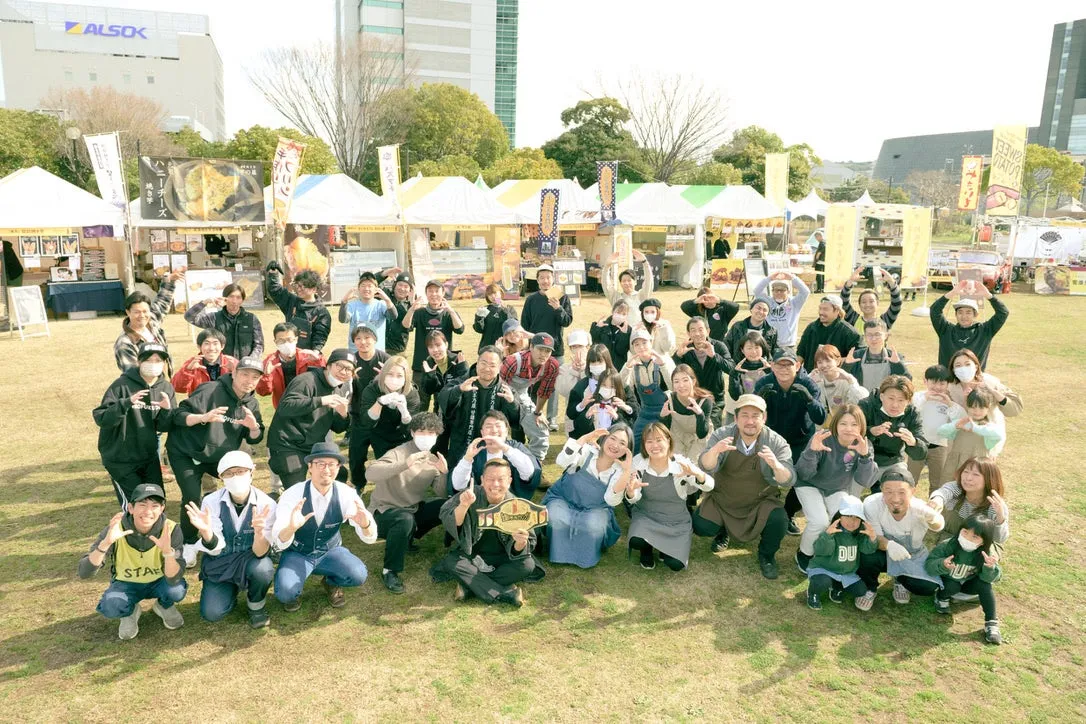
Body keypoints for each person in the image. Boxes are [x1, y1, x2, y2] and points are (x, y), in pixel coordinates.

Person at [167, 358, 265, 566]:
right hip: (186, 451)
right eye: (245, 374)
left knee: (239, 487)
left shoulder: (251, 403)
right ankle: (189, 543)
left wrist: (253, 426)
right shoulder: (211, 390)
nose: (249, 380)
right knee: (192, 496)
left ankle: (238, 532)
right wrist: (203, 417)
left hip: (217, 456)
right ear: (234, 373)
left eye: (255, 377)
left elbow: (255, 437)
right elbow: (178, 415)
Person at [694, 394, 797, 579]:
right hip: (723, 498)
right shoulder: (722, 435)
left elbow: (788, 479)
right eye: (745, 415)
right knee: (701, 525)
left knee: (779, 520)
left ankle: (766, 555)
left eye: (755, 416)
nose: (750, 421)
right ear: (736, 418)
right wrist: (715, 451)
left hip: (759, 502)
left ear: (764, 418)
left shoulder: (776, 442)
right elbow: (705, 465)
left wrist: (776, 466)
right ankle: (722, 531)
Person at [272, 442, 377, 611]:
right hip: (298, 552)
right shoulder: (292, 494)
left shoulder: (346, 494)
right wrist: (291, 528)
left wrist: (366, 524)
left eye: (331, 464)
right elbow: (278, 540)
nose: (326, 470)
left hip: (330, 551)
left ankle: (330, 582)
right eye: (320, 464)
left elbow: (370, 537)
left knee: (358, 575)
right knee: (285, 593)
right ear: (310, 467)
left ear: (338, 467)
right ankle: (292, 589)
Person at [78, 483, 186, 640]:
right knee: (112, 606)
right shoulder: (116, 528)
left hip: (160, 581)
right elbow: (84, 572)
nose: (148, 511)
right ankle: (130, 611)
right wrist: (105, 543)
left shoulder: (171, 529)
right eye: (142, 505)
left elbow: (174, 578)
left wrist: (168, 553)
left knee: (176, 590)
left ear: (162, 509)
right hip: (126, 583)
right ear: (130, 508)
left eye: (155, 505)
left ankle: (164, 605)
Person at [430, 459, 538, 607]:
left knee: (527, 565)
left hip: (503, 558)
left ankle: (469, 588)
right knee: (452, 561)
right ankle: (505, 594)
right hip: (472, 554)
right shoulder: (470, 494)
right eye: (490, 479)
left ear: (509, 481)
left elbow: (525, 547)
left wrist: (520, 543)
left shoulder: (517, 505)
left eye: (501, 479)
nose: (495, 484)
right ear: (482, 479)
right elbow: (447, 516)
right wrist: (463, 506)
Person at [188, 451, 276, 628]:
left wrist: (259, 533)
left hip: (251, 558)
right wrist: (206, 533)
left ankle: (256, 605)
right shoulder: (211, 501)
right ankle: (231, 589)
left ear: (252, 471)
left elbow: (260, 553)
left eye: (241, 471)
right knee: (211, 614)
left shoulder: (267, 504)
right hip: (221, 561)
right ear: (221, 477)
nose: (235, 477)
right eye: (229, 473)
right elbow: (216, 548)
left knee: (264, 569)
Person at [366, 413, 449, 594]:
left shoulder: (433, 459)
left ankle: (408, 538)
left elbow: (441, 492)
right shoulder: (399, 453)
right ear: (412, 433)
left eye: (431, 432)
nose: (426, 437)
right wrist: (405, 464)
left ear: (437, 435)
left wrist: (443, 473)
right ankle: (390, 571)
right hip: (383, 512)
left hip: (411, 510)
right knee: (404, 520)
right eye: (421, 432)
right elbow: (370, 474)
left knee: (446, 505)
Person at [794, 405, 877, 572]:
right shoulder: (822, 438)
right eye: (843, 423)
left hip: (837, 488)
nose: (848, 429)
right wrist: (811, 452)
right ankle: (804, 554)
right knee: (819, 521)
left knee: (842, 521)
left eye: (854, 425)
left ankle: (829, 551)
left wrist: (865, 457)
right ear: (835, 424)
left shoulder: (863, 444)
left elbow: (865, 480)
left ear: (861, 427)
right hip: (809, 484)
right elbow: (803, 473)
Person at [93, 343, 175, 507]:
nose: (154, 364)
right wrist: (126, 403)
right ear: (139, 361)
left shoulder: (165, 387)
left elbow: (164, 426)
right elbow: (101, 418)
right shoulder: (121, 385)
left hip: (148, 456)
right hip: (120, 458)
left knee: (156, 500)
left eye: (158, 360)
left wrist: (166, 410)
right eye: (149, 360)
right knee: (135, 505)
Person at [754, 349, 826, 534]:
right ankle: (762, 510)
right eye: (779, 364)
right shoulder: (764, 382)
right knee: (760, 472)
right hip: (772, 438)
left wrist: (810, 401)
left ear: (798, 365)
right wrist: (759, 400)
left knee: (803, 476)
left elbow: (820, 418)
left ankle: (788, 512)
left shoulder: (808, 384)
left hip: (800, 438)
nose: (784, 369)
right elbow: (752, 414)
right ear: (772, 365)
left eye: (789, 364)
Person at [855, 468, 945, 611]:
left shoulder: (920, 508)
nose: (895, 499)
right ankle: (870, 588)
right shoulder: (872, 504)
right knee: (867, 552)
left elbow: (939, 525)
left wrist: (933, 517)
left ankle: (901, 580)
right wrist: (889, 545)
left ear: (913, 491)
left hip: (912, 555)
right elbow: (875, 536)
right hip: (883, 552)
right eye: (889, 492)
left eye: (902, 492)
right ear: (881, 490)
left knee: (927, 587)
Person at [545, 426, 633, 568]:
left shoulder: (620, 470)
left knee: (594, 526)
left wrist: (626, 471)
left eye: (622, 443)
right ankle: (558, 551)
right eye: (613, 438)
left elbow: (612, 500)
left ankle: (584, 555)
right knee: (556, 517)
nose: (615, 445)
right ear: (605, 437)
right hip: (565, 500)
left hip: (596, 509)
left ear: (628, 449)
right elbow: (561, 461)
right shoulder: (587, 451)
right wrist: (585, 438)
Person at [627, 422, 711, 571]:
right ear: (644, 445)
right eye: (649, 441)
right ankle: (646, 550)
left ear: (668, 441)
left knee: (675, 565)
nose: (654, 446)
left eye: (659, 440)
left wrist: (698, 474)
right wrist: (631, 492)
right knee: (636, 541)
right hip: (646, 517)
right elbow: (633, 498)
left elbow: (709, 485)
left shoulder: (680, 463)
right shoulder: (638, 462)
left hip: (675, 521)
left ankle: (664, 549)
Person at [266, 349, 354, 490]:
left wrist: (344, 415)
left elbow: (338, 427)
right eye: (340, 366)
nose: (344, 371)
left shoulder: (341, 389)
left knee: (339, 474)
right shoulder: (306, 380)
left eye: (349, 369)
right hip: (287, 443)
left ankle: (327, 505)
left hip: (313, 445)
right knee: (296, 487)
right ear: (329, 365)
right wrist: (320, 400)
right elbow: (286, 407)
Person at [438, 346, 521, 468]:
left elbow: (515, 420)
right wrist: (459, 390)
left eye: (492, 365)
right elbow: (443, 398)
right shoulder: (462, 382)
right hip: (461, 444)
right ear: (477, 363)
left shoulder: (505, 391)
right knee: (456, 483)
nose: (487, 369)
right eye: (483, 363)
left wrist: (512, 403)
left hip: (492, 447)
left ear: (499, 368)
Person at [925, 515, 1003, 644]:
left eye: (974, 536)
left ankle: (992, 623)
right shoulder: (947, 545)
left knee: (985, 586)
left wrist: (989, 567)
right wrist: (942, 565)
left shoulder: (986, 553)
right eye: (965, 532)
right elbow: (928, 566)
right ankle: (941, 597)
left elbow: (995, 578)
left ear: (983, 541)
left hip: (968, 585)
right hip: (949, 582)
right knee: (952, 586)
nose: (967, 538)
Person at [350, 355, 420, 490]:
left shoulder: (412, 394)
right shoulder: (372, 389)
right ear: (383, 374)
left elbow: (410, 429)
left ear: (406, 377)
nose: (394, 379)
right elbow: (367, 421)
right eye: (390, 374)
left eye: (399, 375)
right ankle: (358, 483)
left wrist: (404, 412)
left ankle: (393, 488)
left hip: (393, 430)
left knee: (389, 462)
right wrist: (380, 402)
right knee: (356, 454)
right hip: (368, 426)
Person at [804, 495, 879, 610]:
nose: (852, 521)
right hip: (824, 569)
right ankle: (813, 593)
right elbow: (822, 551)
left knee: (861, 590)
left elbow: (867, 550)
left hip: (846, 573)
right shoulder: (831, 531)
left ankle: (837, 586)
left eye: (856, 518)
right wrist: (827, 536)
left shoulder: (859, 534)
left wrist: (872, 538)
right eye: (848, 516)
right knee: (822, 581)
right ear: (839, 516)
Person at [521, 264, 573, 423]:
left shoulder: (562, 297)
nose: (545, 281)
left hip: (555, 349)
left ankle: (552, 419)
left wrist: (558, 308)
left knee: (554, 386)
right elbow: (525, 324)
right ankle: (531, 414)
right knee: (532, 383)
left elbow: (567, 321)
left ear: (553, 279)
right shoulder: (531, 299)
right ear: (537, 280)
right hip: (535, 350)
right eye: (542, 278)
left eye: (548, 277)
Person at [403, 280, 464, 410]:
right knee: (420, 402)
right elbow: (406, 326)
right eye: (430, 291)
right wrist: (412, 308)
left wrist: (451, 311)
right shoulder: (420, 312)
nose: (434, 294)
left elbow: (460, 329)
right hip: (422, 365)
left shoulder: (448, 313)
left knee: (442, 401)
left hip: (444, 365)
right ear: (426, 293)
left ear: (443, 293)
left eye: (437, 291)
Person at [499, 333, 561, 461]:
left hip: (522, 394)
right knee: (498, 428)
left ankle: (535, 465)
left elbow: (544, 391)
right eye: (540, 349)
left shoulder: (552, 365)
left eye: (547, 351)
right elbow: (497, 385)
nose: (543, 354)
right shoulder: (513, 361)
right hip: (501, 394)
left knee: (541, 429)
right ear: (531, 347)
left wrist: (537, 413)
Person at [451, 410, 541, 498]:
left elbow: (529, 474)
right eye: (488, 427)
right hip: (479, 503)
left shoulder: (515, 448)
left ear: (506, 431)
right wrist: (467, 458)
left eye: (498, 426)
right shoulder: (475, 450)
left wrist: (504, 448)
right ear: (482, 433)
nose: (494, 431)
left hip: (510, 503)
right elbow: (458, 485)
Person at [858, 375, 927, 483]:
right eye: (891, 398)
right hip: (862, 459)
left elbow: (921, 453)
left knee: (901, 486)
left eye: (901, 400)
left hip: (893, 461)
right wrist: (871, 431)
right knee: (850, 493)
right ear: (881, 396)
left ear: (908, 401)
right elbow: (850, 434)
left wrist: (914, 442)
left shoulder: (912, 413)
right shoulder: (866, 405)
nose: (895, 405)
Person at [929, 457, 1010, 547]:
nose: (968, 478)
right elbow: (945, 491)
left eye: (976, 474)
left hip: (979, 547)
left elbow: (999, 539)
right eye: (966, 472)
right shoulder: (957, 489)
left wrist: (1000, 517)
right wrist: (937, 500)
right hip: (951, 540)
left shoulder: (995, 505)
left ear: (989, 479)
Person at [929, 280, 1009, 369]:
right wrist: (953, 292)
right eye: (960, 312)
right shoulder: (945, 330)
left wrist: (988, 295)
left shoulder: (985, 331)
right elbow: (934, 310)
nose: (964, 316)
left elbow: (1003, 312)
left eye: (968, 312)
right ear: (955, 314)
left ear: (975, 315)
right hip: (949, 381)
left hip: (974, 380)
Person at [908, 365, 964, 489]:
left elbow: (960, 419)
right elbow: (911, 410)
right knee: (910, 479)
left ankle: (934, 506)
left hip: (939, 446)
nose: (937, 387)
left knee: (937, 482)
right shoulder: (918, 396)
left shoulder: (949, 401)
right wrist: (925, 398)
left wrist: (949, 404)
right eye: (933, 383)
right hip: (916, 444)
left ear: (948, 384)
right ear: (925, 381)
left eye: (942, 384)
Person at [114, 272, 182, 373]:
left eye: (145, 311)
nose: (142, 316)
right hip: (143, 386)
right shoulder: (124, 343)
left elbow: (162, 302)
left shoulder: (151, 322)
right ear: (128, 312)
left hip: (162, 380)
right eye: (137, 312)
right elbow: (133, 373)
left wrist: (169, 281)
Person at [673, 316, 733, 426]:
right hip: (692, 398)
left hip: (715, 399)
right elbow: (674, 373)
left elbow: (731, 369)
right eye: (693, 330)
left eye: (701, 329)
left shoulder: (718, 346)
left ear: (708, 331)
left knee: (710, 428)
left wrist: (714, 356)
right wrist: (677, 356)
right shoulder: (685, 349)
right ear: (688, 333)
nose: (697, 334)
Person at [622, 329, 675, 450]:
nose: (641, 347)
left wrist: (663, 366)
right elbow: (623, 388)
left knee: (660, 444)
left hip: (665, 412)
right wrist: (627, 368)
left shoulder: (664, 360)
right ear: (633, 348)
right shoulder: (632, 364)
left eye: (644, 343)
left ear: (651, 342)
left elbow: (675, 386)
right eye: (637, 344)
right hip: (645, 412)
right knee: (634, 443)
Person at [937, 388, 1007, 478]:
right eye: (973, 407)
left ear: (987, 408)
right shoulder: (962, 423)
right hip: (956, 466)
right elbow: (941, 431)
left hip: (977, 468)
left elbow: (998, 435)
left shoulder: (989, 427)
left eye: (981, 408)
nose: (977, 412)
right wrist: (955, 426)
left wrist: (975, 428)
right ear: (967, 406)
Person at [183, 283, 264, 359]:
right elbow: (189, 317)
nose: (234, 301)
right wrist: (205, 302)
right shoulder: (214, 318)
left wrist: (249, 361)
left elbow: (259, 345)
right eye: (231, 296)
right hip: (222, 367)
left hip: (244, 368)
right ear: (225, 298)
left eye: (238, 297)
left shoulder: (251, 319)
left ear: (242, 300)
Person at [256, 322, 327, 409]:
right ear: (275, 342)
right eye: (281, 341)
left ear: (296, 339)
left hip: (308, 405)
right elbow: (263, 392)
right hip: (283, 408)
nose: (286, 344)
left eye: (289, 340)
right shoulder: (270, 362)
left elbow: (324, 382)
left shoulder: (308, 357)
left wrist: (318, 361)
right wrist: (266, 376)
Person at [265, 262, 331, 353]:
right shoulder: (291, 301)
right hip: (288, 351)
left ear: (314, 289)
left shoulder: (321, 312)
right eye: (298, 285)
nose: (299, 289)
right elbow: (275, 290)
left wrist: (315, 352)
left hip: (308, 354)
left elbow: (320, 336)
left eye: (304, 287)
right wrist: (273, 274)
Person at [945, 349, 1024, 424]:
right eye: (958, 366)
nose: (963, 368)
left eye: (967, 364)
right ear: (953, 370)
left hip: (990, 433)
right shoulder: (949, 388)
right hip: (963, 433)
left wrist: (993, 392)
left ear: (976, 367)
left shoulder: (990, 381)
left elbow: (1014, 410)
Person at [660, 364, 714, 462]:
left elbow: (702, 434)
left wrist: (700, 415)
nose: (681, 385)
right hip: (677, 434)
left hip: (699, 437)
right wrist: (663, 418)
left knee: (693, 464)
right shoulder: (669, 399)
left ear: (693, 381)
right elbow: (665, 431)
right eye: (676, 382)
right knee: (677, 464)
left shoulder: (705, 401)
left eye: (685, 380)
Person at [796, 295, 862, 373]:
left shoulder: (849, 333)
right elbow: (800, 354)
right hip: (811, 377)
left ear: (837, 311)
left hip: (836, 380)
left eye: (825, 309)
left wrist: (836, 362)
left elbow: (859, 355)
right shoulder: (811, 328)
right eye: (820, 308)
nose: (821, 312)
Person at [841, 320, 910, 395]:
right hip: (860, 400)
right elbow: (842, 381)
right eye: (869, 335)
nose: (873, 339)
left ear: (886, 336)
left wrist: (897, 365)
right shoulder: (856, 356)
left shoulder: (895, 357)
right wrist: (847, 366)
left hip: (887, 402)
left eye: (877, 334)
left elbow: (907, 382)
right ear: (864, 337)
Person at [568, 369, 637, 439]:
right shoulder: (591, 401)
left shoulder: (620, 404)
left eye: (612, 387)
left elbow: (629, 429)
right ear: (598, 385)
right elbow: (579, 428)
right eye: (604, 385)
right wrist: (587, 416)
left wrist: (617, 417)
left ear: (617, 388)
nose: (607, 389)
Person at [339, 271, 397, 352]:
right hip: (356, 352)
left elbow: (393, 316)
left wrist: (387, 300)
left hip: (376, 352)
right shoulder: (352, 305)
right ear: (358, 289)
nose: (366, 289)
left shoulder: (381, 305)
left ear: (376, 289)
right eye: (363, 285)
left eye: (370, 286)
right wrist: (344, 302)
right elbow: (343, 319)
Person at [753, 271, 810, 352]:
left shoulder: (795, 303)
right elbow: (756, 291)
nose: (779, 293)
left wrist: (792, 277)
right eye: (776, 290)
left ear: (788, 291)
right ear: (772, 291)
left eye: (782, 290)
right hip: (768, 343)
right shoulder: (767, 302)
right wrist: (769, 278)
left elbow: (805, 292)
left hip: (788, 345)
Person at [170, 328, 238, 395]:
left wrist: (235, 371)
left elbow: (243, 388)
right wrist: (188, 371)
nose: (211, 348)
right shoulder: (192, 363)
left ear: (222, 346)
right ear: (199, 347)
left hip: (226, 403)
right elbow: (177, 388)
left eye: (215, 343)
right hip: (199, 404)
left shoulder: (231, 362)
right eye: (207, 343)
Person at [726, 331, 773, 420]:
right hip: (737, 410)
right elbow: (736, 396)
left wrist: (770, 373)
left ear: (763, 349)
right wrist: (734, 375)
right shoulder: (737, 368)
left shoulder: (770, 368)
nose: (754, 351)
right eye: (749, 348)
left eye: (757, 347)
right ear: (742, 350)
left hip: (762, 411)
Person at [841, 266, 903, 332]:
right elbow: (844, 303)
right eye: (864, 302)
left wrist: (892, 282)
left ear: (877, 303)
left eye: (871, 301)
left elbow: (897, 304)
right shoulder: (853, 319)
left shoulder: (885, 321)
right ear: (859, 304)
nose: (867, 304)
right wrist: (849, 282)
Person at [418, 331, 467, 413]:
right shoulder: (428, 364)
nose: (435, 350)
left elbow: (467, 384)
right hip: (440, 409)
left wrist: (462, 367)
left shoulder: (458, 360)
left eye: (438, 345)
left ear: (446, 345)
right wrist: (431, 375)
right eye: (431, 347)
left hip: (459, 408)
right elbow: (427, 391)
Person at [602, 249, 655, 325]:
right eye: (623, 281)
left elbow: (649, 282)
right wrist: (607, 267)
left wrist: (645, 262)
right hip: (621, 333)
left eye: (629, 280)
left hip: (637, 333)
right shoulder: (616, 297)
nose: (626, 283)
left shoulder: (641, 296)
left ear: (635, 282)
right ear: (620, 283)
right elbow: (606, 285)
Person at [808, 345, 868, 410]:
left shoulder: (847, 378)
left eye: (828, 361)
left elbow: (861, 401)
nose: (824, 365)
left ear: (837, 361)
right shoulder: (814, 377)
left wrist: (850, 381)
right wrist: (810, 383)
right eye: (820, 362)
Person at [722, 298, 779, 363]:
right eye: (758, 308)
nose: (761, 312)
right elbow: (727, 346)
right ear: (751, 309)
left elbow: (773, 352)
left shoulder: (772, 331)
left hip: (763, 369)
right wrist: (731, 363)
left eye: (765, 310)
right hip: (739, 367)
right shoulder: (737, 327)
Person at [555, 329, 591, 432]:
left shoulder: (596, 365)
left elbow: (592, 389)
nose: (577, 350)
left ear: (588, 347)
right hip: (572, 415)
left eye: (580, 346)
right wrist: (574, 371)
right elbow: (565, 392)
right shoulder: (564, 369)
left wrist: (584, 370)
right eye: (574, 347)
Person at [473, 283, 518, 352]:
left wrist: (505, 310)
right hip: (487, 346)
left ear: (500, 293)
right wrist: (479, 317)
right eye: (490, 295)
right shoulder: (485, 309)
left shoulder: (509, 308)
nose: (493, 296)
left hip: (505, 347)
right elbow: (479, 329)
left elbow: (514, 326)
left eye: (495, 293)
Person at [590, 300, 632, 370]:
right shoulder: (602, 325)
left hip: (618, 368)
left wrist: (624, 335)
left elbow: (621, 351)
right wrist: (596, 328)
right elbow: (593, 343)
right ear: (612, 311)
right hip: (601, 365)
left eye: (624, 314)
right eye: (618, 312)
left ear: (627, 316)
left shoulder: (628, 330)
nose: (620, 316)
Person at [383, 272, 415, 356]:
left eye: (406, 286)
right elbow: (372, 284)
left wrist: (411, 305)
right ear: (394, 285)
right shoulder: (386, 295)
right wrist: (385, 274)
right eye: (400, 285)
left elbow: (410, 327)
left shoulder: (411, 306)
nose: (402, 289)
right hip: (379, 346)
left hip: (396, 350)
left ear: (410, 290)